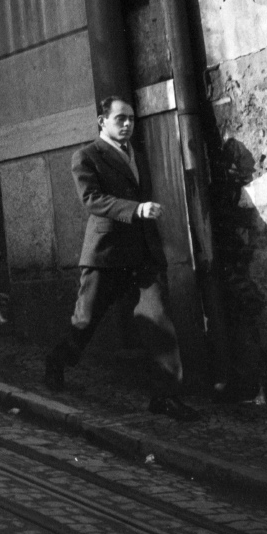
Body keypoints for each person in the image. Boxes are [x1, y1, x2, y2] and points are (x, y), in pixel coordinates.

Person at [43, 96, 199, 422]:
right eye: (120, 119)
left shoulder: (136, 155)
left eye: (131, 118)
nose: (127, 124)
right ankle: (56, 361)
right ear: (102, 121)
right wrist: (136, 209)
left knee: (159, 323)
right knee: (85, 321)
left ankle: (165, 397)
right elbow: (92, 200)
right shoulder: (86, 156)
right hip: (107, 254)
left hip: (141, 256)